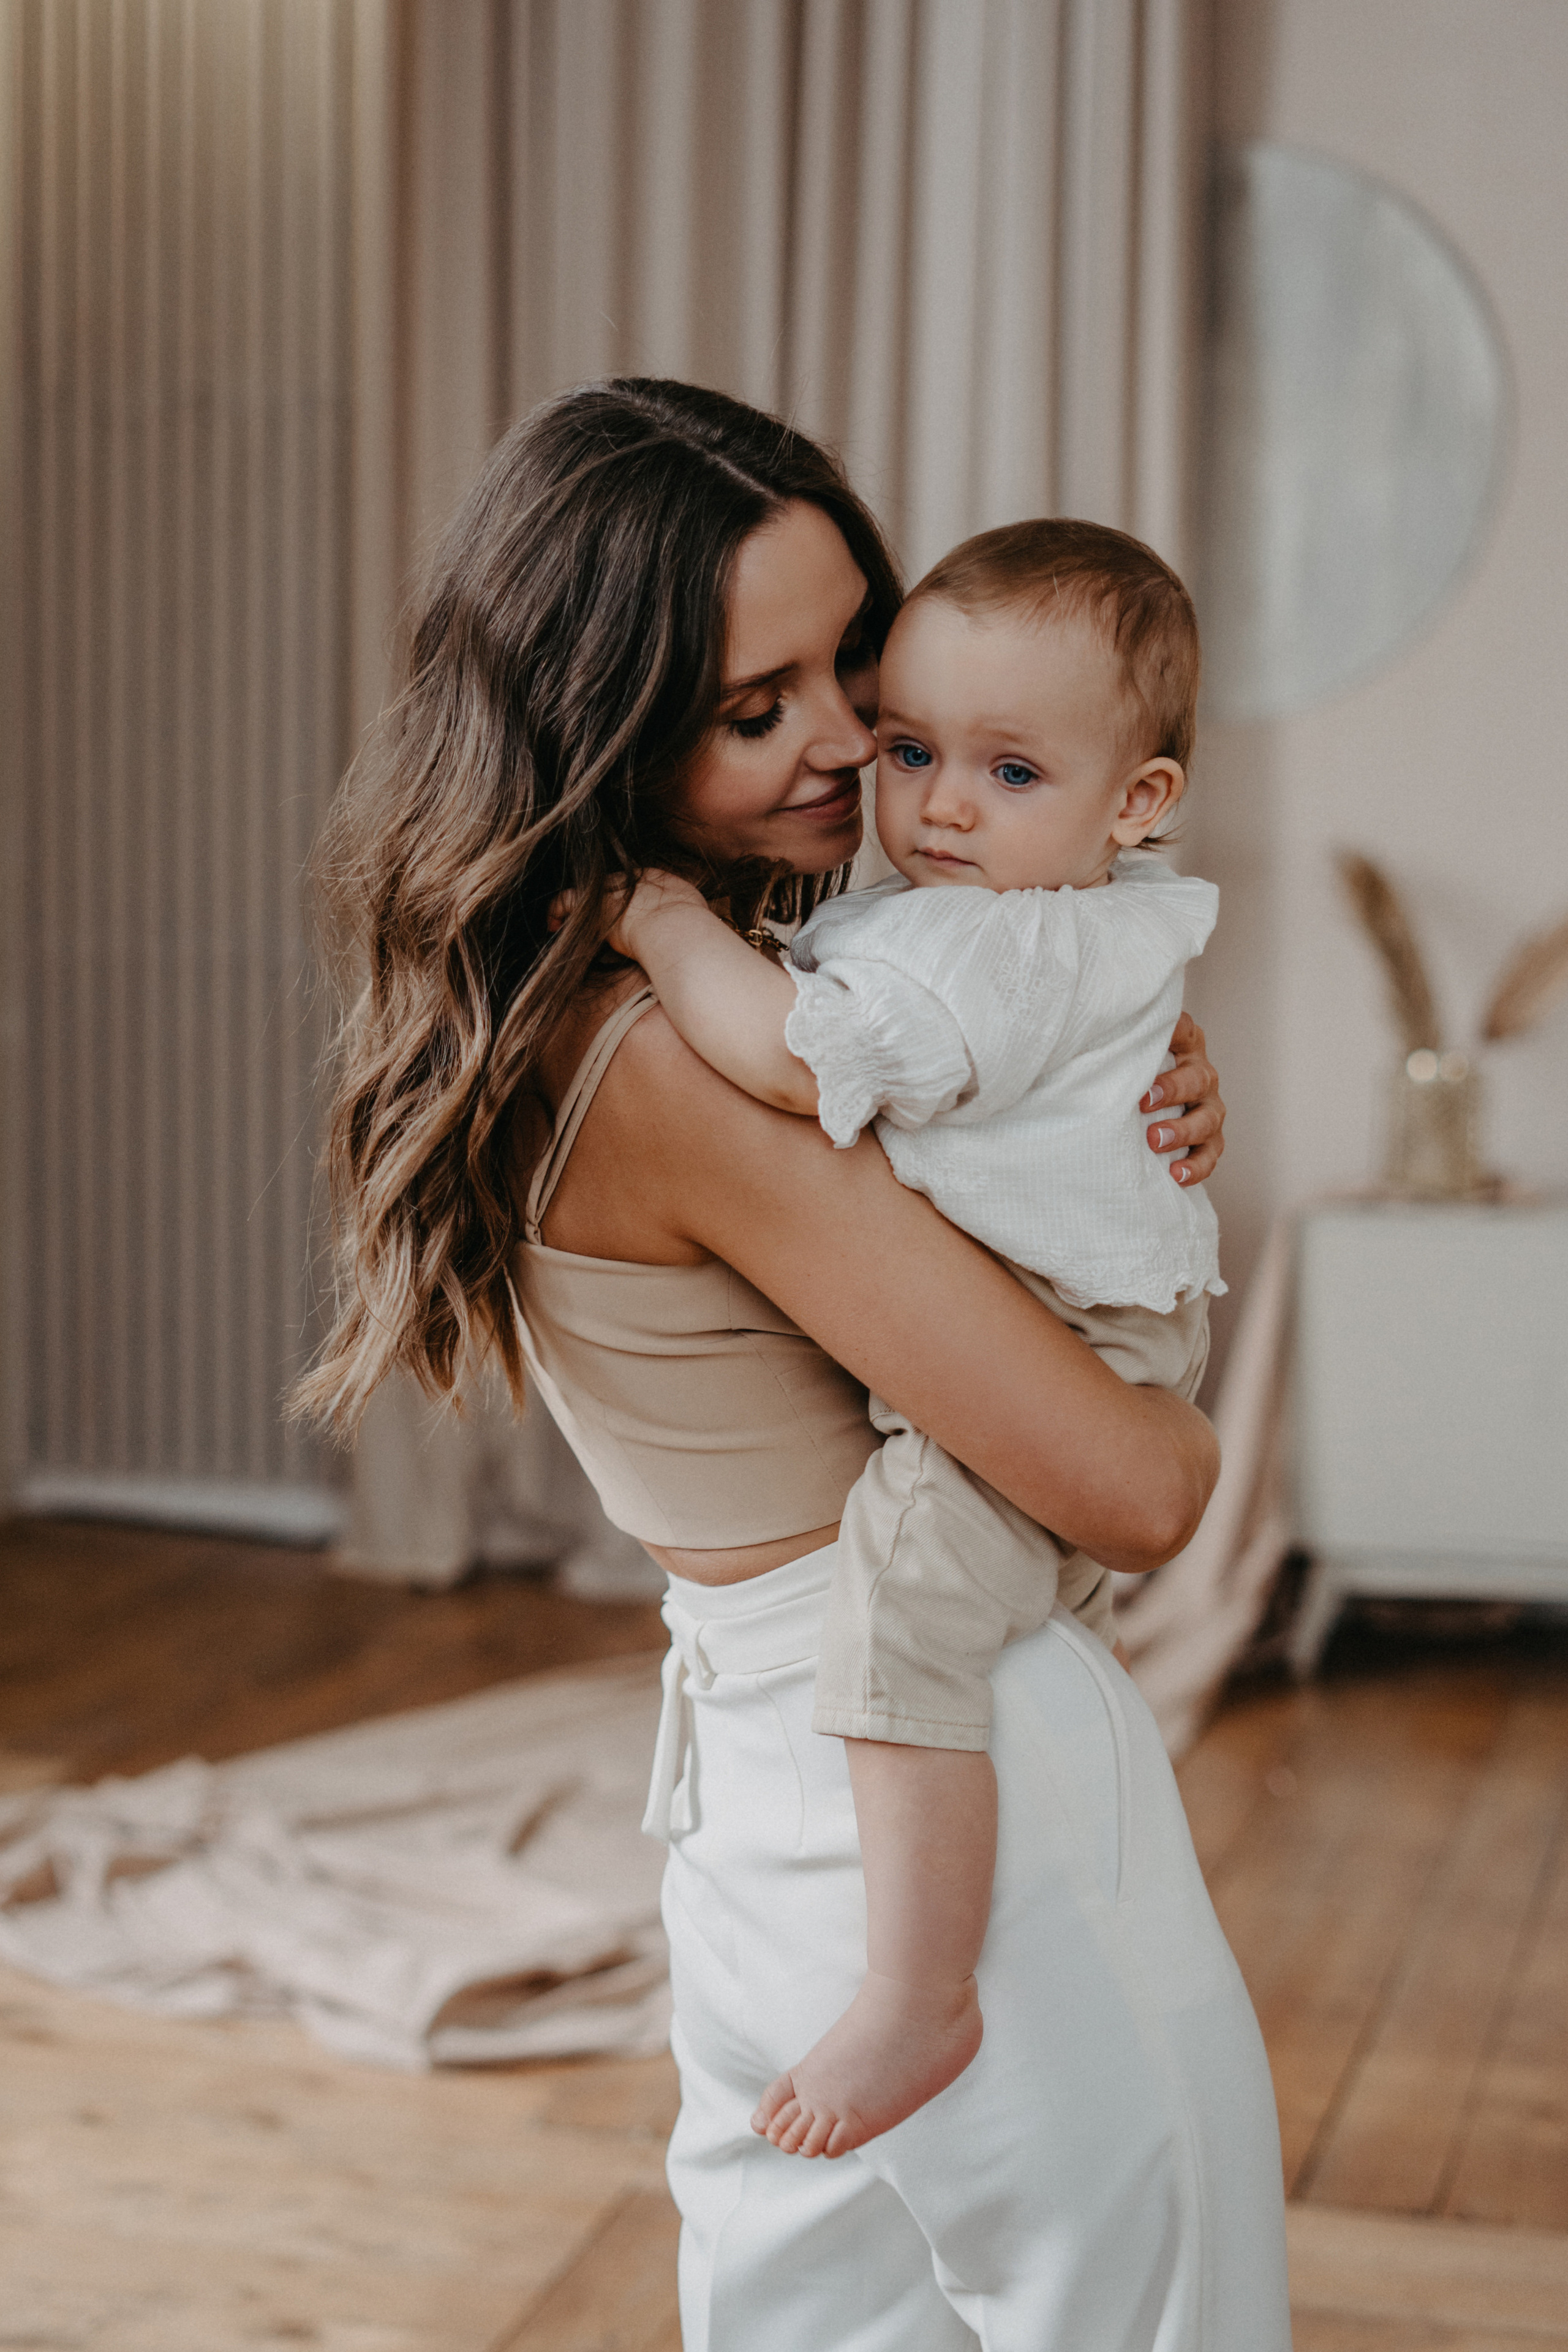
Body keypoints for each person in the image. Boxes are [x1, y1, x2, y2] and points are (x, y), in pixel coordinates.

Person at [301, 378, 1291, 2352]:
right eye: (762, 710)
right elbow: (1143, 1490)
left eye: (856, 654)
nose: (855, 743)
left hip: (756, 1802)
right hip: (955, 1768)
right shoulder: (694, 1055)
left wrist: (1117, 1092)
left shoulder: (579, 999)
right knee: (1154, 2308)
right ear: (607, 726)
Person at [589, 515, 1225, 2163]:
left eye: (1007, 771)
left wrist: (662, 926)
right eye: (911, 743)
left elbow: (807, 1059)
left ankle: (920, 1989)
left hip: (1065, 1365)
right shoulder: (964, 913)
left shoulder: (951, 939)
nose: (927, 798)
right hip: (1023, 1403)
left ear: (1133, 802)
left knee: (904, 1627)